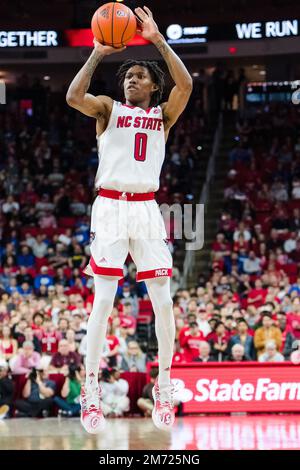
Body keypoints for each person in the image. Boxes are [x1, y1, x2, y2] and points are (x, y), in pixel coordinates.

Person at [66, 5, 192, 433]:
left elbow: (187, 83)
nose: (130, 79)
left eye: (139, 76)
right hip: (111, 207)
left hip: (146, 208)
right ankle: (91, 390)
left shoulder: (163, 116)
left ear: (154, 85)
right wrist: (98, 53)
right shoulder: (107, 109)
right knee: (102, 302)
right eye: (127, 76)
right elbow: (72, 97)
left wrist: (156, 39)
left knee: (163, 303)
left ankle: (164, 384)